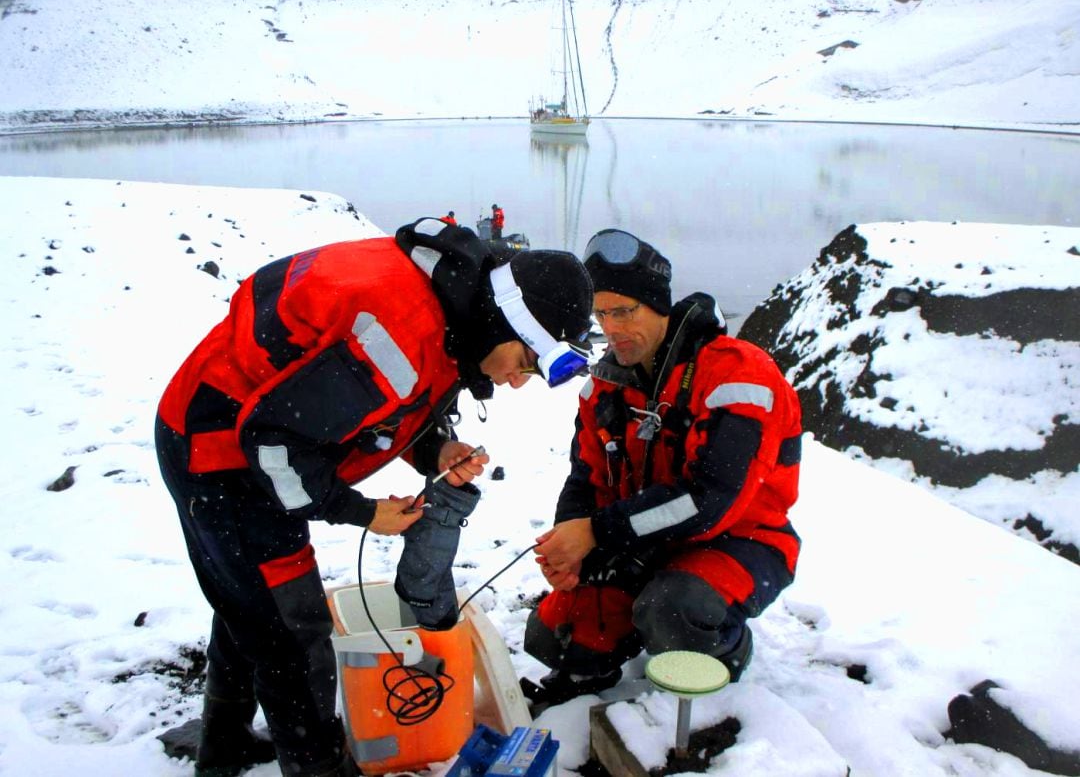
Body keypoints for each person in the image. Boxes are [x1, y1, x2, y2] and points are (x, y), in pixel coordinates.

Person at [155, 217, 593, 777]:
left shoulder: (456, 302)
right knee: (292, 633)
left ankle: (224, 744)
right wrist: (363, 513)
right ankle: (315, 764)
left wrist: (431, 447)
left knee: (250, 599)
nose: (514, 383)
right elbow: (276, 446)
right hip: (220, 454)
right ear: (503, 320)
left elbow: (381, 404)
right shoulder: (401, 331)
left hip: (249, 429)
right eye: (525, 364)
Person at [521, 228, 802, 708]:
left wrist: (598, 533)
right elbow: (584, 479)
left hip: (744, 542)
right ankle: (632, 630)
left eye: (624, 311)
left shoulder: (737, 374)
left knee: (673, 610)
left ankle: (727, 655)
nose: (611, 328)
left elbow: (709, 501)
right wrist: (569, 541)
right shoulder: (602, 389)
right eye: (601, 314)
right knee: (554, 633)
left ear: (659, 307)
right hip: (646, 543)